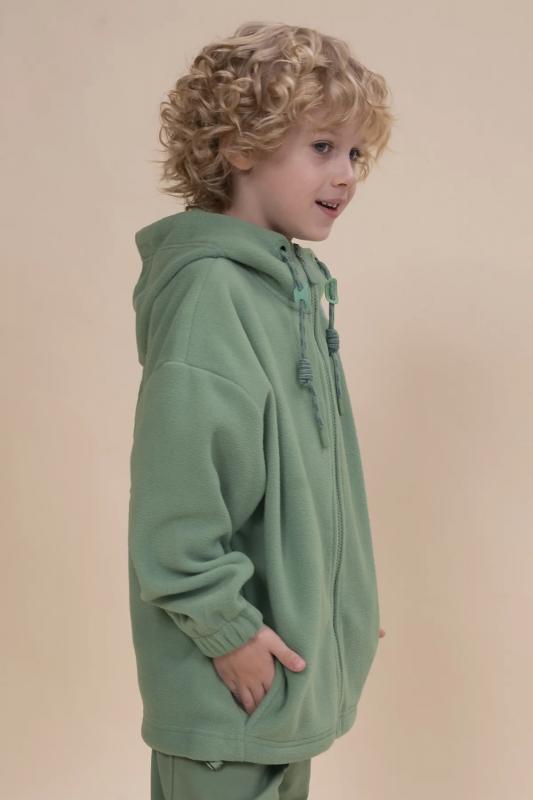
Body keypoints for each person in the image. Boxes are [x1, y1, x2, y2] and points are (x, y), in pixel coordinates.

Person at [128, 20, 396, 800]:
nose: (345, 175)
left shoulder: (288, 292)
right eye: (323, 147)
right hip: (229, 690)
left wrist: (338, 604)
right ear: (239, 146)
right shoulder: (213, 293)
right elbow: (178, 503)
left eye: (356, 154)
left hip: (281, 681)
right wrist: (226, 631)